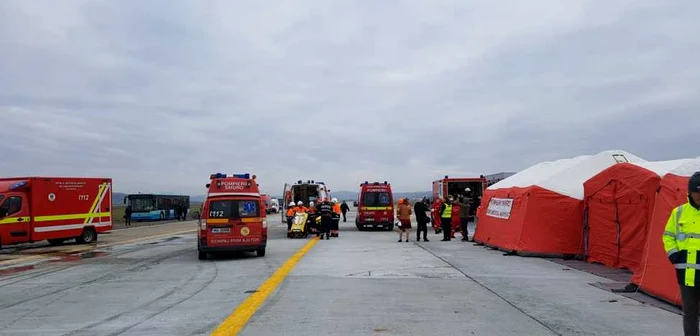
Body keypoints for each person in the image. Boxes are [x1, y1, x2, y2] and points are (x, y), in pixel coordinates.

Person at [664, 171, 700, 336]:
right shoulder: (678, 213)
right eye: (696, 191)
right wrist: (673, 255)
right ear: (689, 192)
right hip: (686, 274)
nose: (698, 195)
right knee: (689, 314)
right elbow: (668, 236)